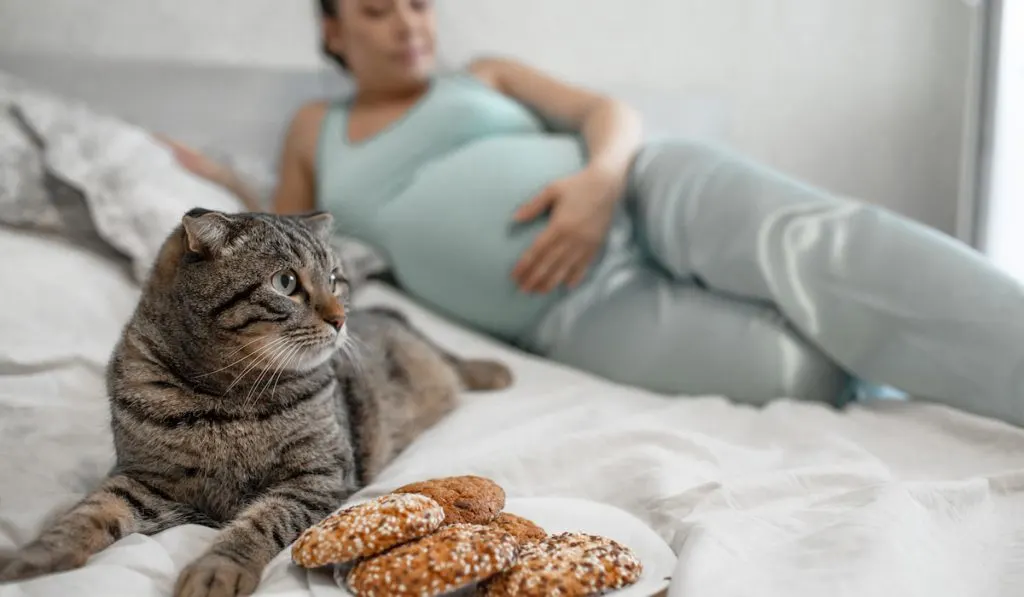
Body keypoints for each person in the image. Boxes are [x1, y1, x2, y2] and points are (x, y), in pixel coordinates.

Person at [166, 0, 1024, 425]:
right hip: (569, 308)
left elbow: (607, 114)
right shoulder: (318, 126)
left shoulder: (487, 76)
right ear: (332, 34)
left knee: (833, 255)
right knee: (808, 376)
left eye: (417, 2)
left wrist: (600, 182)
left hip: (649, 190)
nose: (406, 23)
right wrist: (216, 180)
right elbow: (285, 235)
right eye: (376, 9)